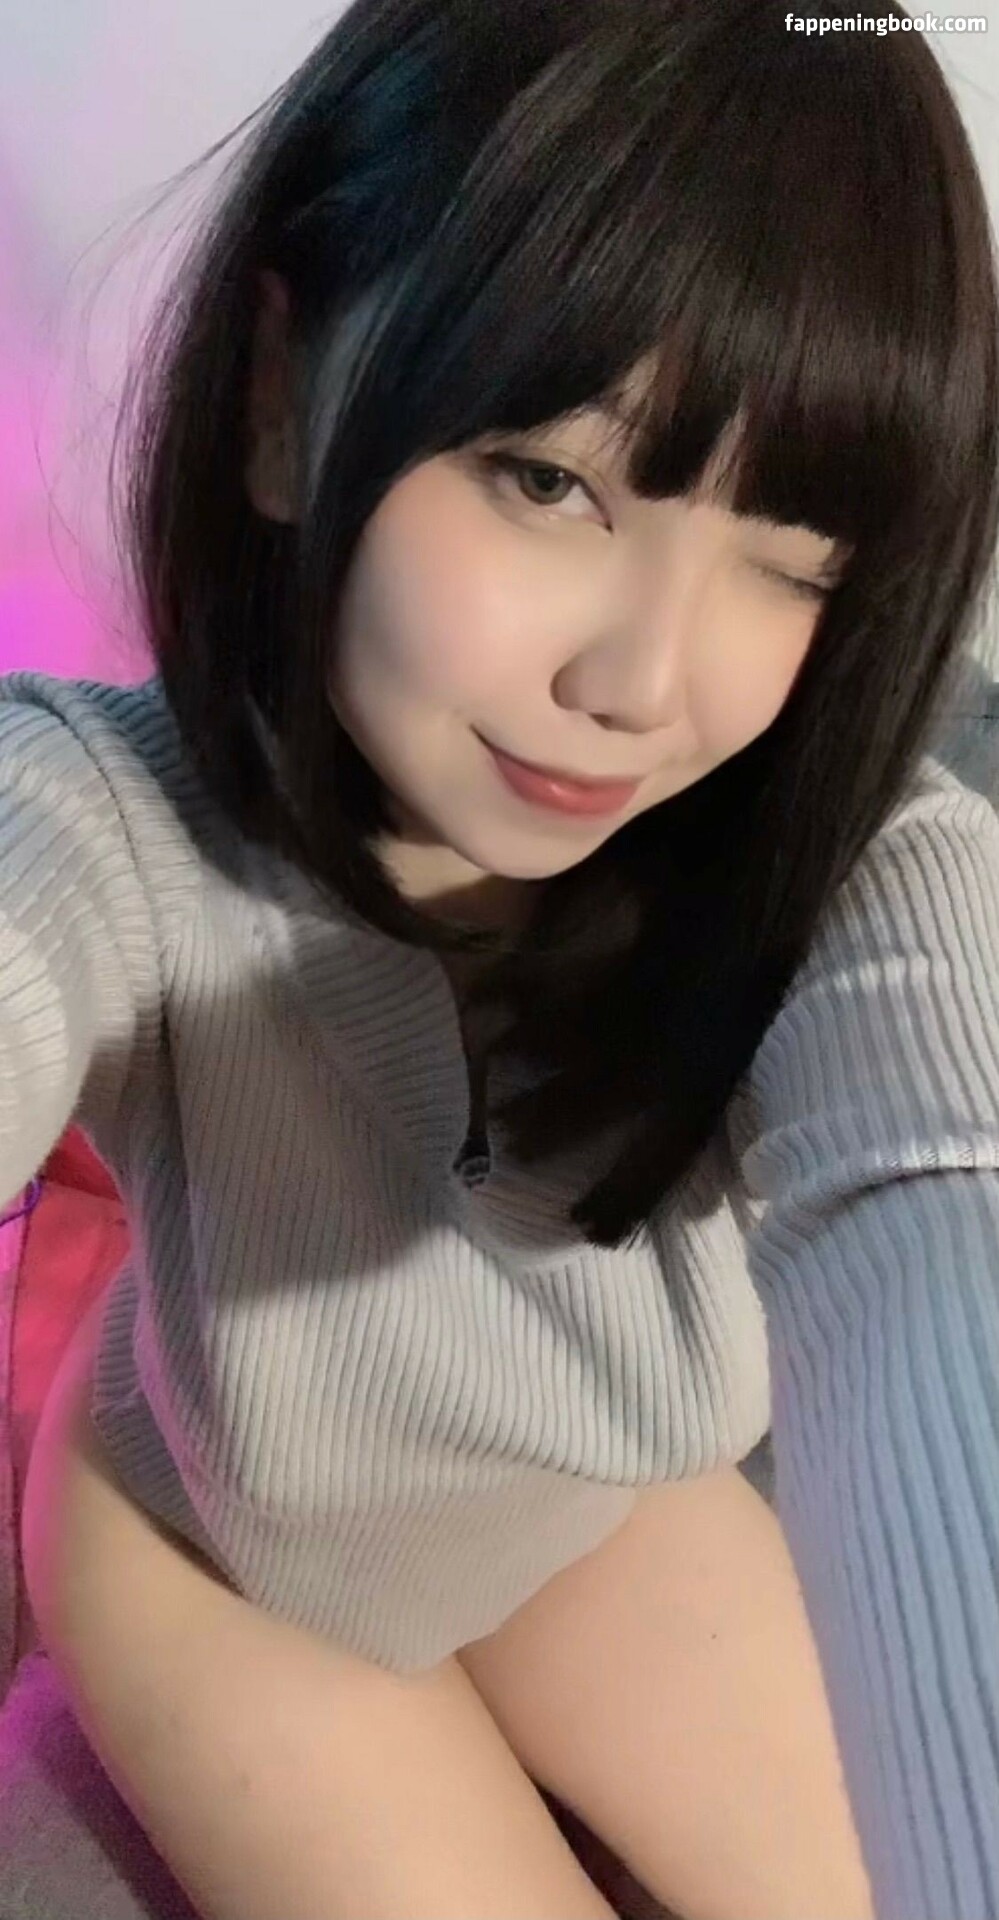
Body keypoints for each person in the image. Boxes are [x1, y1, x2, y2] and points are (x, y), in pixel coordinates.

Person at [2, 0, 997, 1915]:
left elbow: (938, 1188)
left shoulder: (842, 859)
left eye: (793, 553)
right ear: (282, 397)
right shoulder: (106, 821)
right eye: (551, 480)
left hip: (591, 1504)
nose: (642, 683)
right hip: (226, 1554)